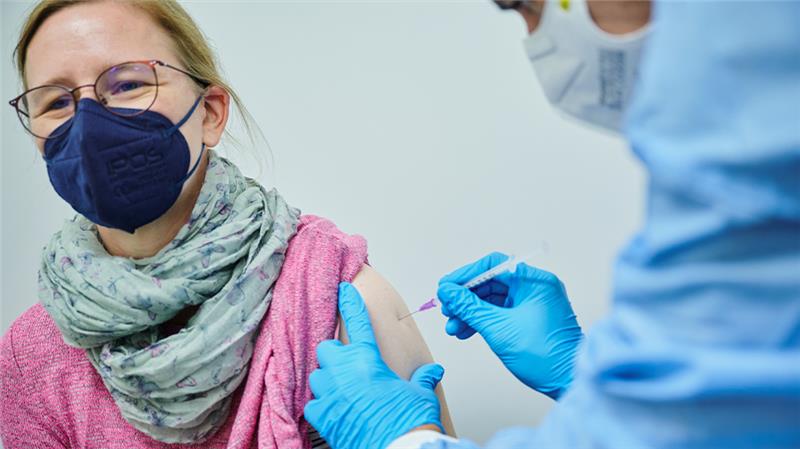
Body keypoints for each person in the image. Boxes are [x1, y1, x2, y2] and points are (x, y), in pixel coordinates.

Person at [304, 1, 800, 448]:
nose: (535, 31)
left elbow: (695, 423)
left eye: (525, 4)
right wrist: (580, 375)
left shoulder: (753, 149)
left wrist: (403, 441)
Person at [0, 1, 454, 447]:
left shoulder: (326, 290)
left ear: (211, 113)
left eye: (128, 84)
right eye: (56, 102)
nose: (89, 123)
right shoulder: (32, 356)